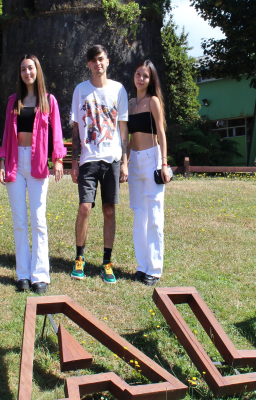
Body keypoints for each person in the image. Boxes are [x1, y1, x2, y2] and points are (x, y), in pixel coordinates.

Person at [0, 54, 67, 294]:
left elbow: (57, 132)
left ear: (37, 71)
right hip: (16, 162)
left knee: (38, 220)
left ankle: (40, 275)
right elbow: (6, 135)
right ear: (20, 73)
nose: (27, 72)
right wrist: (2, 160)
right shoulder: (13, 101)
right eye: (23, 69)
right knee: (19, 222)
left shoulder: (49, 101)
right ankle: (23, 274)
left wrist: (57, 159)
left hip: (37, 163)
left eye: (31, 68)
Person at [70, 44, 129, 284]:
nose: (98, 64)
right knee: (85, 207)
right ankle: (79, 258)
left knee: (109, 210)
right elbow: (75, 128)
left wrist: (125, 162)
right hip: (88, 159)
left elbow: (124, 129)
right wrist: (74, 162)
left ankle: (107, 262)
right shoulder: (80, 90)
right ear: (88, 64)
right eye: (93, 60)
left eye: (101, 59)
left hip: (112, 158)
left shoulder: (119, 90)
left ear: (107, 61)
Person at [127, 60, 171, 286]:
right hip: (134, 161)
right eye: (138, 74)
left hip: (152, 159)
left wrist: (164, 163)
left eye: (145, 76)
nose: (140, 79)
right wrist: (125, 162)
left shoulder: (153, 101)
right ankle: (142, 266)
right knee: (139, 216)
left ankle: (154, 269)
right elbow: (127, 136)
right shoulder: (131, 102)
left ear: (151, 80)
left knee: (154, 216)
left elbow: (161, 133)